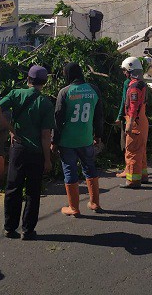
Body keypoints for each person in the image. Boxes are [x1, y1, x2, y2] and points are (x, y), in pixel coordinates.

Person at [0, 65, 54, 240]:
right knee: (33, 192)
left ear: (28, 79)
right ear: (45, 82)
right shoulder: (46, 103)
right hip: (36, 152)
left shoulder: (15, 94)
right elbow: (45, 135)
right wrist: (47, 159)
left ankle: (9, 228)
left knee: (13, 188)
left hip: (18, 149)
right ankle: (27, 230)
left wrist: (11, 129)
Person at [52, 62, 104, 217]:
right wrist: (98, 136)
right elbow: (99, 116)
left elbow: (58, 119)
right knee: (90, 168)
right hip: (86, 139)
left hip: (67, 142)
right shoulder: (94, 90)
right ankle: (95, 203)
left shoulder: (65, 92)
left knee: (70, 171)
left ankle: (74, 207)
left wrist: (54, 142)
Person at [120, 56, 149, 189]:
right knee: (141, 150)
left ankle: (133, 180)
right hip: (142, 121)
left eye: (125, 70)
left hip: (135, 122)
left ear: (130, 69)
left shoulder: (134, 87)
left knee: (132, 150)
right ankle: (143, 175)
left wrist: (129, 124)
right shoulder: (142, 84)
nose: (124, 73)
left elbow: (133, 107)